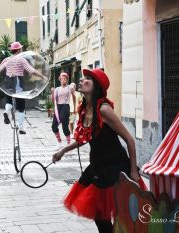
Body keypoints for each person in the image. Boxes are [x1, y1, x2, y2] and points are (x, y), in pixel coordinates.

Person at [52, 68, 144, 233]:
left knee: (117, 216)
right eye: (82, 78)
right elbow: (85, 138)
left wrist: (133, 171)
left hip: (115, 167)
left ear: (97, 86)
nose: (81, 80)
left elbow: (129, 139)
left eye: (87, 79)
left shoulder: (104, 110)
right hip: (98, 165)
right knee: (99, 215)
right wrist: (63, 151)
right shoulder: (85, 109)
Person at [0, 41, 45, 135]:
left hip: (8, 82)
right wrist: (42, 76)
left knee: (9, 100)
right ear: (18, 50)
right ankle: (21, 127)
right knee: (21, 106)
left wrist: (9, 71)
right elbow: (31, 71)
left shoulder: (6, 59)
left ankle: (7, 111)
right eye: (21, 49)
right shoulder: (21, 59)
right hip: (18, 82)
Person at [51, 73, 75, 145]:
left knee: (64, 126)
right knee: (54, 126)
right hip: (58, 107)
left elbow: (73, 97)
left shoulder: (70, 88)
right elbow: (53, 100)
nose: (63, 80)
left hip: (65, 106)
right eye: (62, 79)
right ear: (60, 80)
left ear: (67, 80)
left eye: (65, 79)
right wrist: (52, 92)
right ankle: (59, 142)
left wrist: (74, 106)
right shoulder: (57, 89)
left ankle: (68, 144)